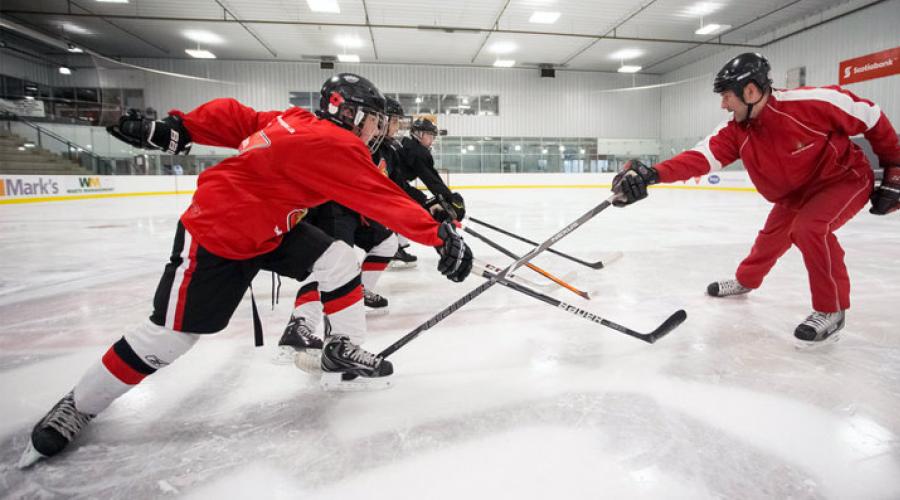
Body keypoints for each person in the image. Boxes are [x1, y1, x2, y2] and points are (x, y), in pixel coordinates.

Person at [20, 73, 473, 467]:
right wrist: (440, 236)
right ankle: (78, 405)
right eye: (374, 119)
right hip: (219, 232)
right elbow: (380, 197)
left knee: (335, 259)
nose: (378, 129)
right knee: (170, 336)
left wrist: (179, 127)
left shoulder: (295, 120)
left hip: (272, 228)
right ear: (351, 115)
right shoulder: (335, 145)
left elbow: (235, 116)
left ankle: (342, 347)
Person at [611, 52, 900, 345]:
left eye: (726, 96)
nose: (723, 104)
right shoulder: (736, 131)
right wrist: (652, 175)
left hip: (844, 179)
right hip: (796, 193)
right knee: (771, 237)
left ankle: (831, 308)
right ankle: (746, 281)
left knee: (810, 229)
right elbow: (701, 157)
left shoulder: (812, 104)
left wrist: (896, 169)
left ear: (750, 91)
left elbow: (871, 116)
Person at [276, 97, 410, 362]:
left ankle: (353, 292)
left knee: (386, 243)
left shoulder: (383, 149)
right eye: (380, 120)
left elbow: (391, 188)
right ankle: (301, 324)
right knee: (333, 262)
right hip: (329, 209)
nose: (384, 126)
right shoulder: (336, 138)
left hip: (352, 210)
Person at [389, 118, 466, 265]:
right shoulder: (417, 151)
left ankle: (396, 247)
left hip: (395, 183)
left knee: (418, 203)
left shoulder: (410, 145)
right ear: (418, 134)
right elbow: (431, 179)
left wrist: (445, 197)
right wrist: (449, 198)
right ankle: (443, 245)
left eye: (433, 136)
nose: (432, 139)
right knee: (420, 207)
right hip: (394, 185)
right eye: (429, 135)